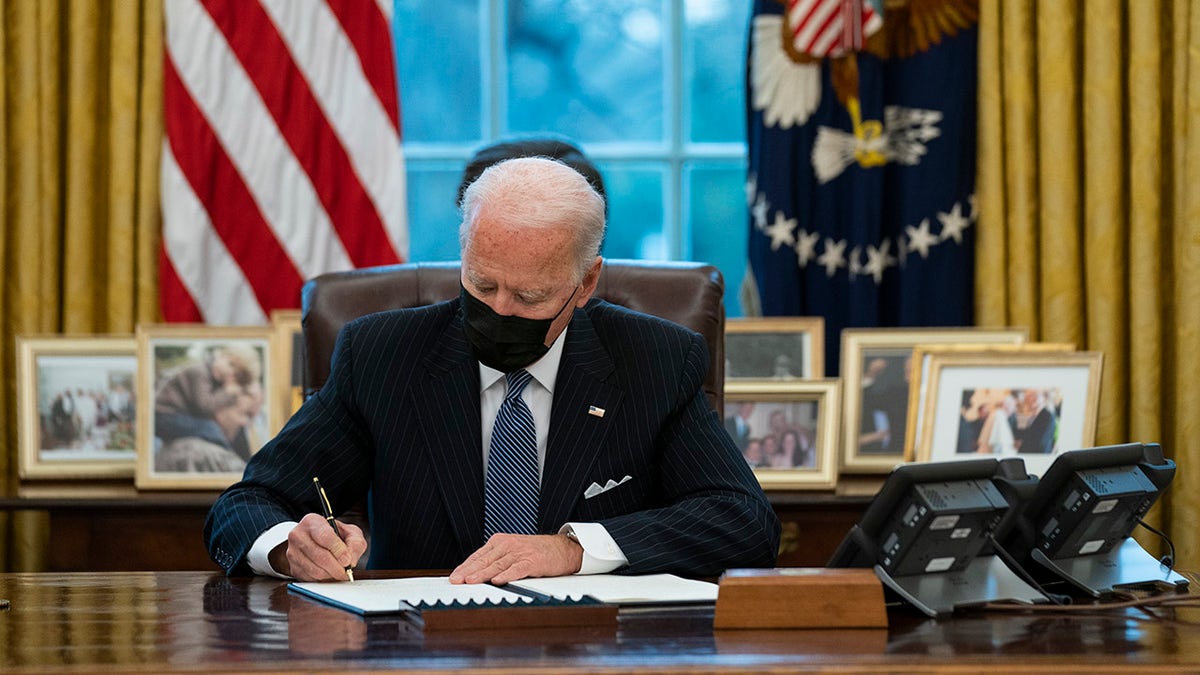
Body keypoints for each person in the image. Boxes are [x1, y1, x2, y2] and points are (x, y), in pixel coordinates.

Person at [204, 156, 780, 584]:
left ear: (585, 283)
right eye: (482, 284)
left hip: (595, 659)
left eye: (529, 296)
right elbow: (245, 503)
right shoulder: (382, 355)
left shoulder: (655, 361)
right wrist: (287, 546)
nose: (500, 310)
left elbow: (744, 522)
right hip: (422, 657)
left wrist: (575, 549)